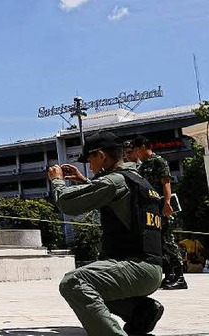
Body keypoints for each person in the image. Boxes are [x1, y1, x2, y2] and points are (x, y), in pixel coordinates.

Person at [48, 131, 164, 336]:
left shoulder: (114, 182)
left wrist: (57, 181)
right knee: (97, 280)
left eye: (90, 159)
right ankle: (141, 311)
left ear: (101, 156)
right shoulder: (136, 177)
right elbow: (109, 194)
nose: (88, 165)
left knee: (75, 283)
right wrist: (84, 181)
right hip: (150, 268)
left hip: (134, 267)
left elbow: (67, 204)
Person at [133, 135, 187, 290]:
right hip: (151, 209)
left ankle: (180, 276)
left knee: (168, 242)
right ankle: (169, 275)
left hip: (162, 207)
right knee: (160, 243)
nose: (136, 153)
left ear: (143, 147)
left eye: (136, 150)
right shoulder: (142, 166)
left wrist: (168, 203)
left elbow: (166, 183)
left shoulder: (159, 161)